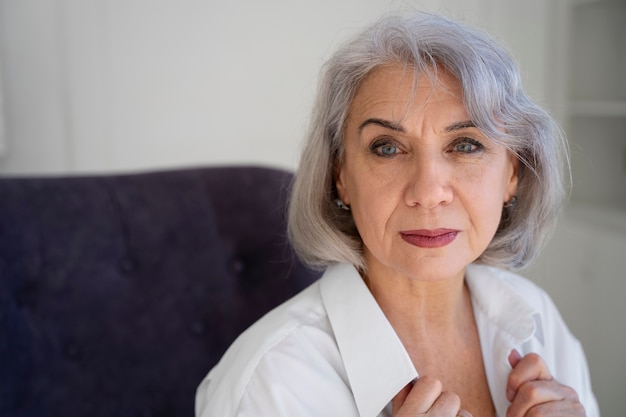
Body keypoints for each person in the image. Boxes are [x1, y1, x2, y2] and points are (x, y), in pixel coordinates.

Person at [195, 12, 599, 417]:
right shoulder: (270, 383)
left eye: (466, 145)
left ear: (513, 172)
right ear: (341, 177)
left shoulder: (539, 319)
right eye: (387, 147)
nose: (427, 193)